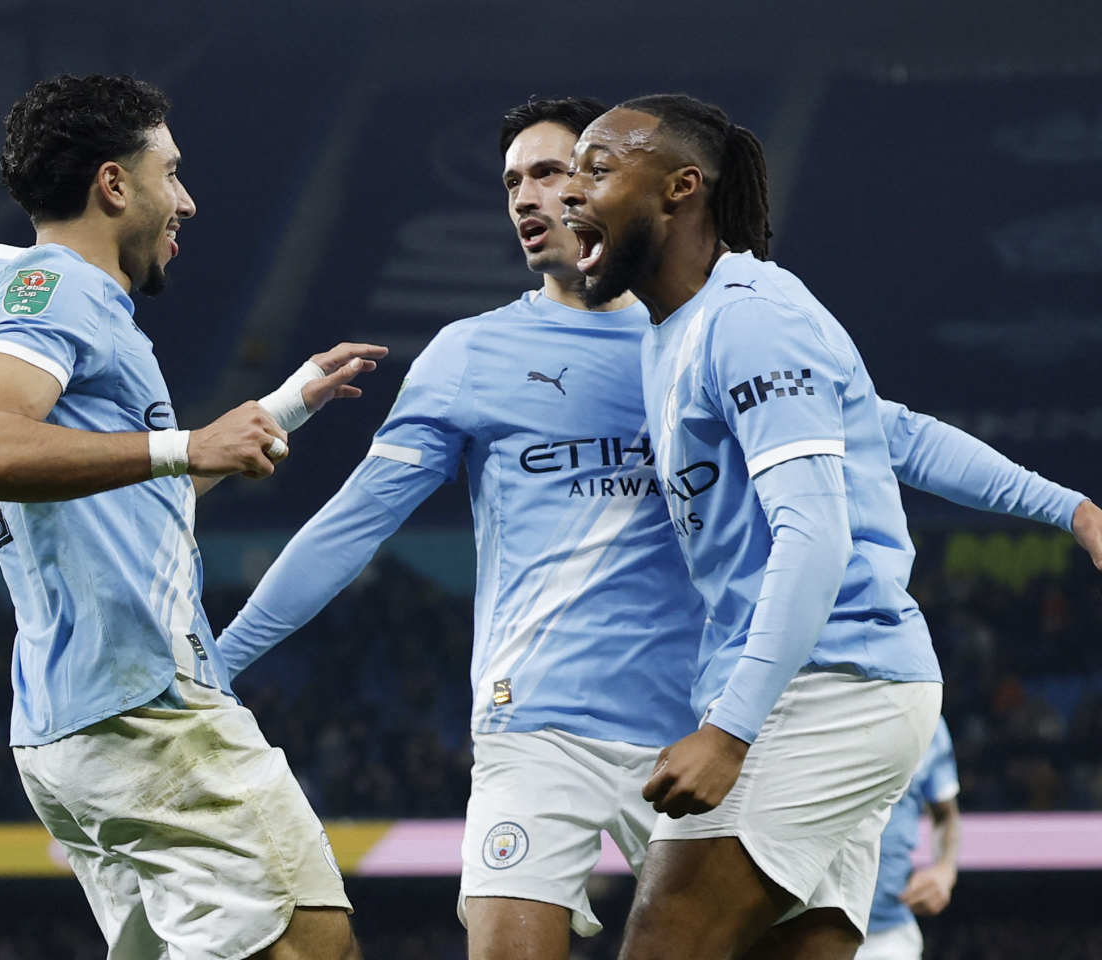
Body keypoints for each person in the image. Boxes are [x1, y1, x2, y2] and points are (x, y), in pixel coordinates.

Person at [218, 96, 1102, 960]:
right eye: (514, 182)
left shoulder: (710, 324)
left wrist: (1063, 506)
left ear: (638, 190)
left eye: (564, 172)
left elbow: (890, 433)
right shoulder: (471, 357)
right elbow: (349, 528)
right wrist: (223, 663)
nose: (536, 198)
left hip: (711, 719)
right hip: (542, 723)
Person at [559, 93, 1102, 960]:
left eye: (597, 167)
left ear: (681, 189)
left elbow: (814, 537)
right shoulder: (679, 331)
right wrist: (1069, 509)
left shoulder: (751, 319)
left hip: (828, 688)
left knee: (665, 940)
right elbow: (892, 433)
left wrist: (729, 731)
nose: (568, 192)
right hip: (834, 687)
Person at [0, 73, 385, 960]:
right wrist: (188, 443)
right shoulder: (52, 287)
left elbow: (129, 506)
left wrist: (280, 407)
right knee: (309, 937)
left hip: (80, 724)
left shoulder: (82, 305)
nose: (185, 199)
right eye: (170, 173)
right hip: (143, 710)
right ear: (115, 184)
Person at [856, 719, 961, 960]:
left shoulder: (926, 715)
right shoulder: (795, 697)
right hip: (793, 928)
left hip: (887, 933)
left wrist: (945, 870)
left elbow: (947, 816)